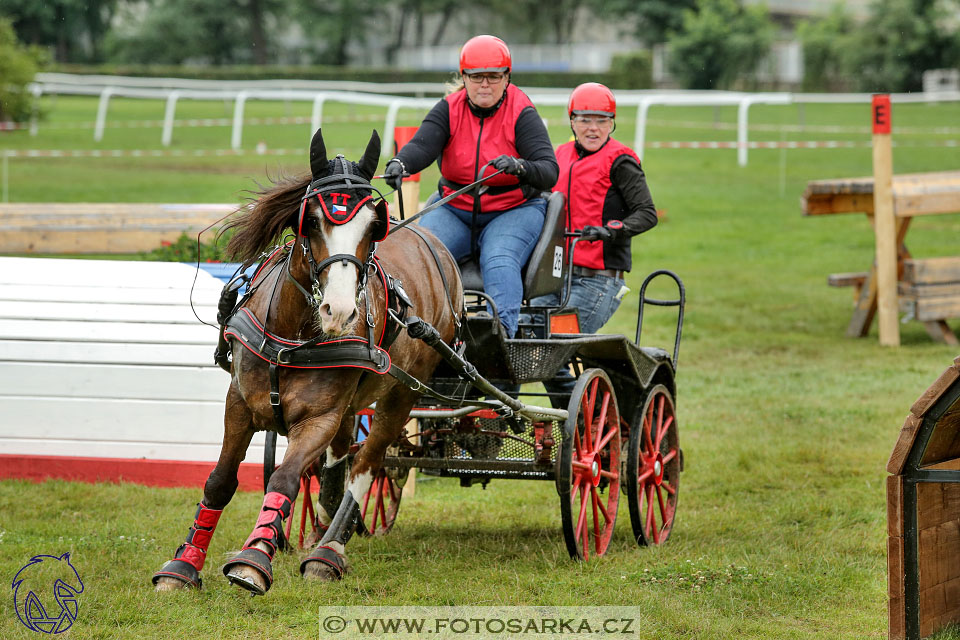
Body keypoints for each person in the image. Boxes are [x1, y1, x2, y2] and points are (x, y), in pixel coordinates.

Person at [382, 34, 559, 339]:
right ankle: (413, 337)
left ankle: (499, 337)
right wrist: (400, 163)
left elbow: (549, 171)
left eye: (494, 76)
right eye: (477, 77)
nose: (485, 84)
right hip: (455, 208)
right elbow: (422, 145)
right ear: (464, 78)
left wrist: (520, 167)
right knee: (419, 255)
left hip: (514, 209)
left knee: (499, 259)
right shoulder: (448, 109)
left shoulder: (522, 112)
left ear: (507, 78)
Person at [530, 82, 658, 334]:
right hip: (554, 276)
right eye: (585, 120)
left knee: (557, 348)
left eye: (602, 121)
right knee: (525, 337)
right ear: (572, 122)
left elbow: (647, 213)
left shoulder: (621, 161)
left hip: (598, 280)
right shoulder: (559, 155)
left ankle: (569, 374)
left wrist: (611, 231)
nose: (593, 128)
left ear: (612, 123)